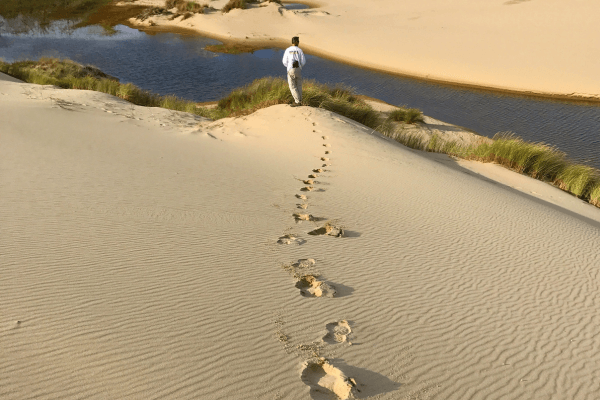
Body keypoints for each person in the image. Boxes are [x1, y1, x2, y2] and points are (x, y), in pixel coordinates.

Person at [282, 36, 306, 107]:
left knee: (292, 86)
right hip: (298, 69)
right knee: (299, 85)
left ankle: (297, 101)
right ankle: (300, 100)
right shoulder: (299, 50)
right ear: (297, 42)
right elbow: (303, 61)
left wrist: (289, 67)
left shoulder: (288, 50)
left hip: (290, 69)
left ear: (292, 42)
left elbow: (284, 62)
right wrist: (300, 66)